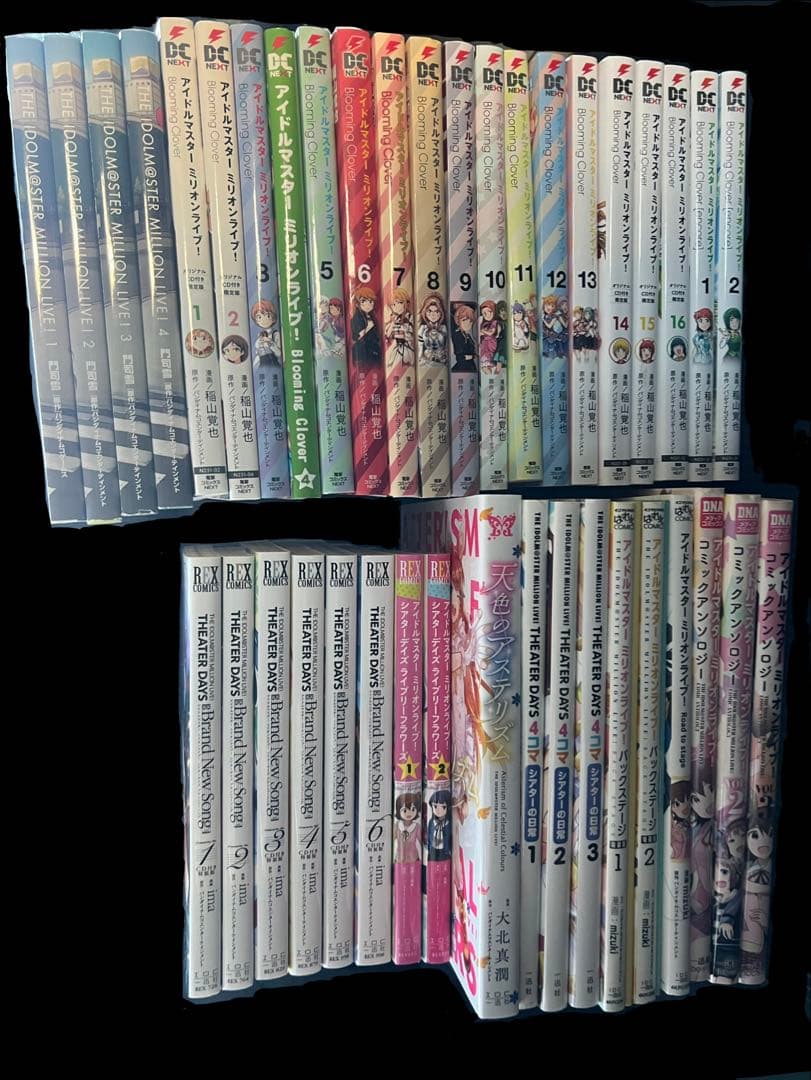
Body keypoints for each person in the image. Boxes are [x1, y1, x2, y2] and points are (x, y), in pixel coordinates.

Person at [350, 286, 381, 368]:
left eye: (370, 301)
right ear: (357, 304)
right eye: (363, 301)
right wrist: (368, 327)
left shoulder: (372, 316)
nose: (368, 304)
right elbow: (356, 337)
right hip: (362, 350)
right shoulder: (357, 318)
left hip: (373, 348)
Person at [384, 287, 414, 366]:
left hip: (408, 348)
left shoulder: (410, 318)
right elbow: (387, 334)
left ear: (406, 303)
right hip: (397, 348)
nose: (396, 307)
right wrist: (393, 323)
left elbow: (412, 336)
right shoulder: (394, 319)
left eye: (400, 302)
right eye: (393, 304)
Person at [417, 293, 448, 365]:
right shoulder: (422, 328)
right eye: (429, 311)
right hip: (427, 359)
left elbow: (447, 346)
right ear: (425, 312)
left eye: (436, 311)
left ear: (441, 313)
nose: (433, 315)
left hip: (441, 358)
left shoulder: (443, 328)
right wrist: (420, 358)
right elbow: (420, 347)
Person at [251, 299, 282, 366]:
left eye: (268, 316)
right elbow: (256, 352)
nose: (263, 320)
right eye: (259, 317)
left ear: (273, 318)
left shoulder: (275, 334)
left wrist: (270, 343)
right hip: (262, 363)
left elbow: (279, 354)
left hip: (273, 363)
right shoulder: (260, 335)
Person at [393, 792, 421, 863]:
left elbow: (421, 842)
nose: (409, 813)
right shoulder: (397, 826)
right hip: (399, 859)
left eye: (413, 810)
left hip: (413, 859)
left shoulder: (417, 827)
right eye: (405, 810)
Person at [450, 303, 477, 372]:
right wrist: (473, 356)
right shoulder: (457, 335)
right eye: (464, 320)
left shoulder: (467, 335)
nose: (467, 324)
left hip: (470, 366)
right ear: (458, 320)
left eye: (470, 321)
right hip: (462, 367)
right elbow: (460, 357)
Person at [427, 789, 452, 861]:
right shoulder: (431, 822)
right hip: (433, 850)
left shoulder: (448, 823)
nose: (439, 810)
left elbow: (450, 837)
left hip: (444, 852)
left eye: (443, 807)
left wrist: (449, 851)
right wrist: (429, 848)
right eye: (435, 806)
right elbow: (429, 835)